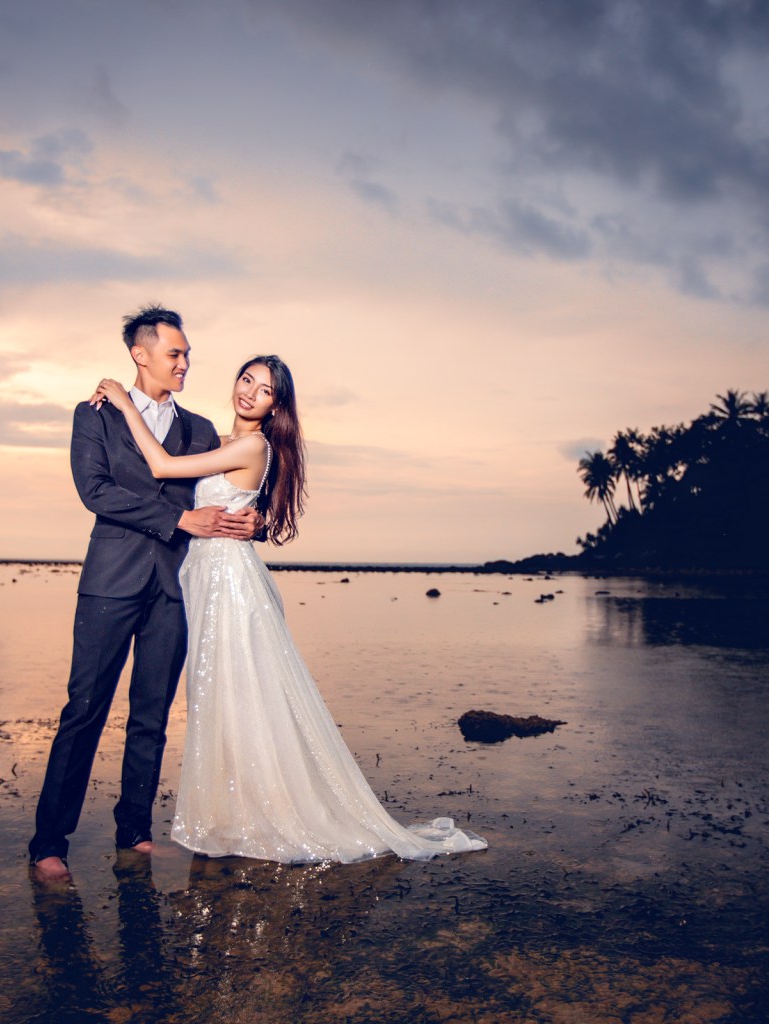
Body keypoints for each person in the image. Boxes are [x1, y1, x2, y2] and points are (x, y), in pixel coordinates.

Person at [89, 356, 487, 863]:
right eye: (247, 380)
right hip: (208, 578)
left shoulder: (253, 445)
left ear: (277, 405)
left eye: (266, 390)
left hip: (231, 583)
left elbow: (163, 467)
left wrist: (124, 403)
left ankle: (257, 815)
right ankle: (231, 816)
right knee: (221, 700)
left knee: (242, 696)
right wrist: (248, 518)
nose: (251, 393)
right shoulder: (220, 441)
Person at [28, 305, 264, 883]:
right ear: (141, 354)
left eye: (186, 355)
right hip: (110, 582)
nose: (185, 363)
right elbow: (96, 492)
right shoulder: (97, 416)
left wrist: (250, 519)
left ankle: (133, 830)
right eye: (175, 353)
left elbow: (234, 482)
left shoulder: (202, 429)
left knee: (152, 715)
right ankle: (48, 842)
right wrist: (179, 520)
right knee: (83, 711)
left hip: (176, 586)